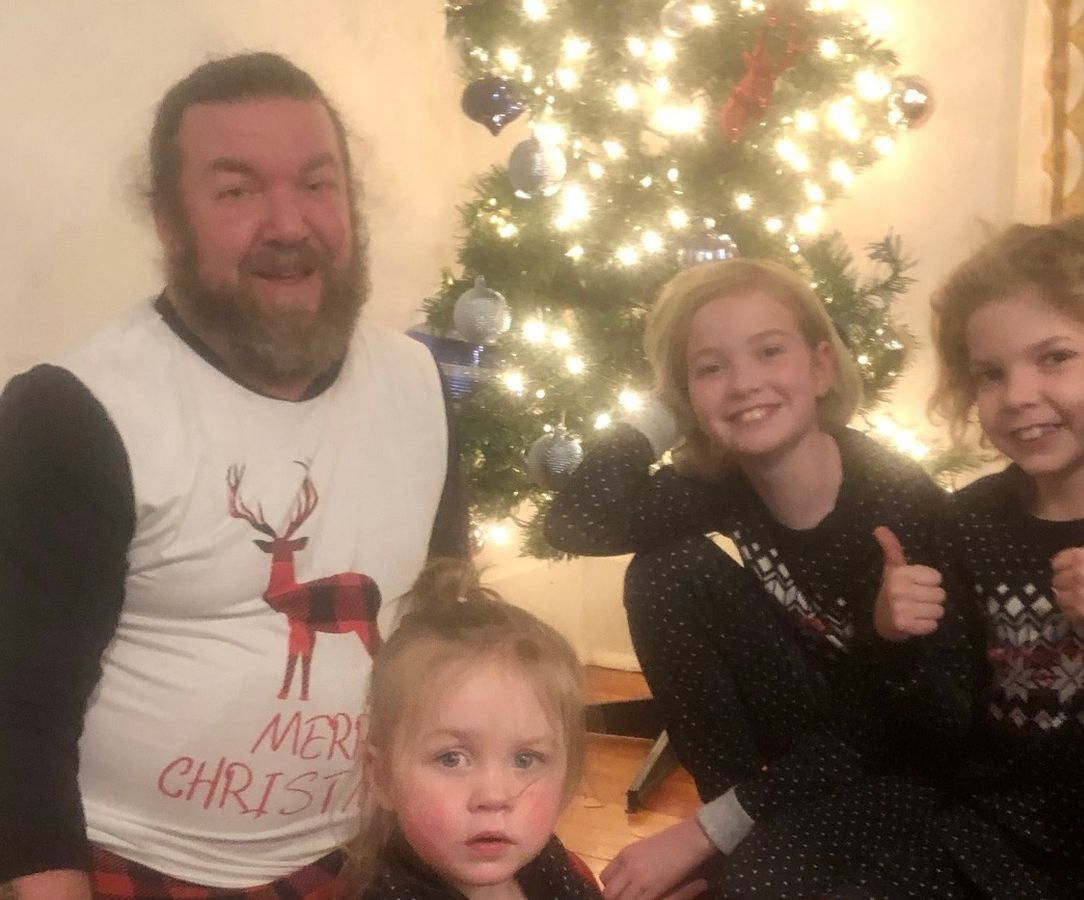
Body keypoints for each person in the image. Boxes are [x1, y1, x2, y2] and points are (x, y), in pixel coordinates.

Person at [0, 52, 467, 899]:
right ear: (168, 221)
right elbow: (16, 710)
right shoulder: (74, 412)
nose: (288, 223)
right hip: (133, 856)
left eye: (318, 184)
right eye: (237, 191)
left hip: (380, 838)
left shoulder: (419, 386)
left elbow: (450, 631)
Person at [545, 258, 959, 898]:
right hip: (818, 733)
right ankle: (734, 831)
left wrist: (703, 832)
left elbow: (916, 725)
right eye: (711, 368)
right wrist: (666, 410)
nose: (743, 383)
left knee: (761, 882)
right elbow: (576, 520)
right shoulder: (722, 485)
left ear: (820, 368)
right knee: (664, 572)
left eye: (769, 351)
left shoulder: (897, 504)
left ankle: (735, 834)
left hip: (908, 764)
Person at [874, 214, 1084, 898]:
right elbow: (939, 728)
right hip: (985, 841)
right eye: (991, 373)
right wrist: (897, 637)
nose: (1018, 395)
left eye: (1054, 357)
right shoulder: (968, 522)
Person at [339, 558, 601, 900]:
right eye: (451, 758)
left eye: (525, 759)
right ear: (382, 776)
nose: (494, 797)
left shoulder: (546, 861)